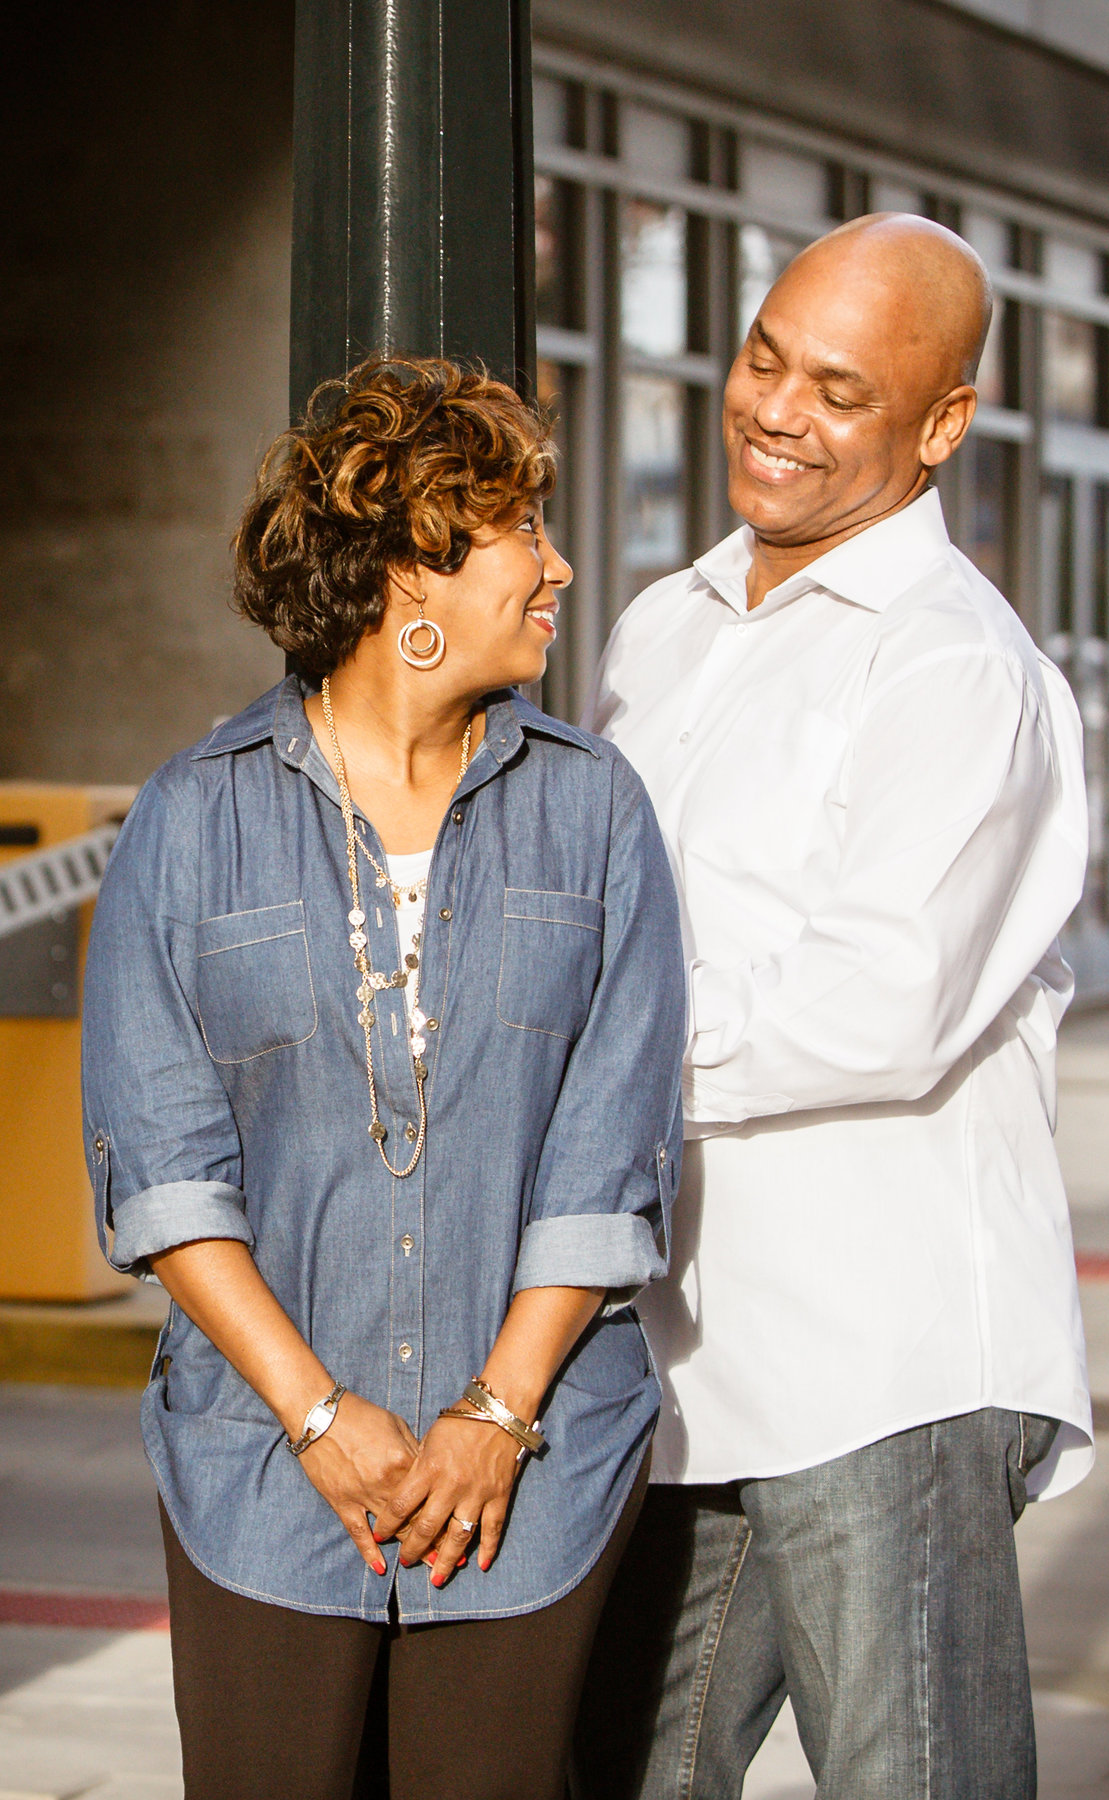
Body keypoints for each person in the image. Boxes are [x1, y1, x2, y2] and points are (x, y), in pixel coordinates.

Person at [82, 357, 685, 1800]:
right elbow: (163, 1168)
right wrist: (316, 1415)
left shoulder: (593, 811)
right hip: (261, 1467)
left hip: (529, 1475)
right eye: (522, 533)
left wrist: (494, 1415)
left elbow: (610, 1149)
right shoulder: (192, 819)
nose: (562, 567)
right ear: (413, 575)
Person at [573, 215, 1092, 1800]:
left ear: (941, 425)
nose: (777, 410)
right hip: (682, 1352)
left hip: (888, 1362)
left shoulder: (956, 668)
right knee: (617, 1773)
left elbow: (883, 1003)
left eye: (841, 391)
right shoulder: (662, 627)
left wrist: (592, 1063)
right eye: (763, 358)